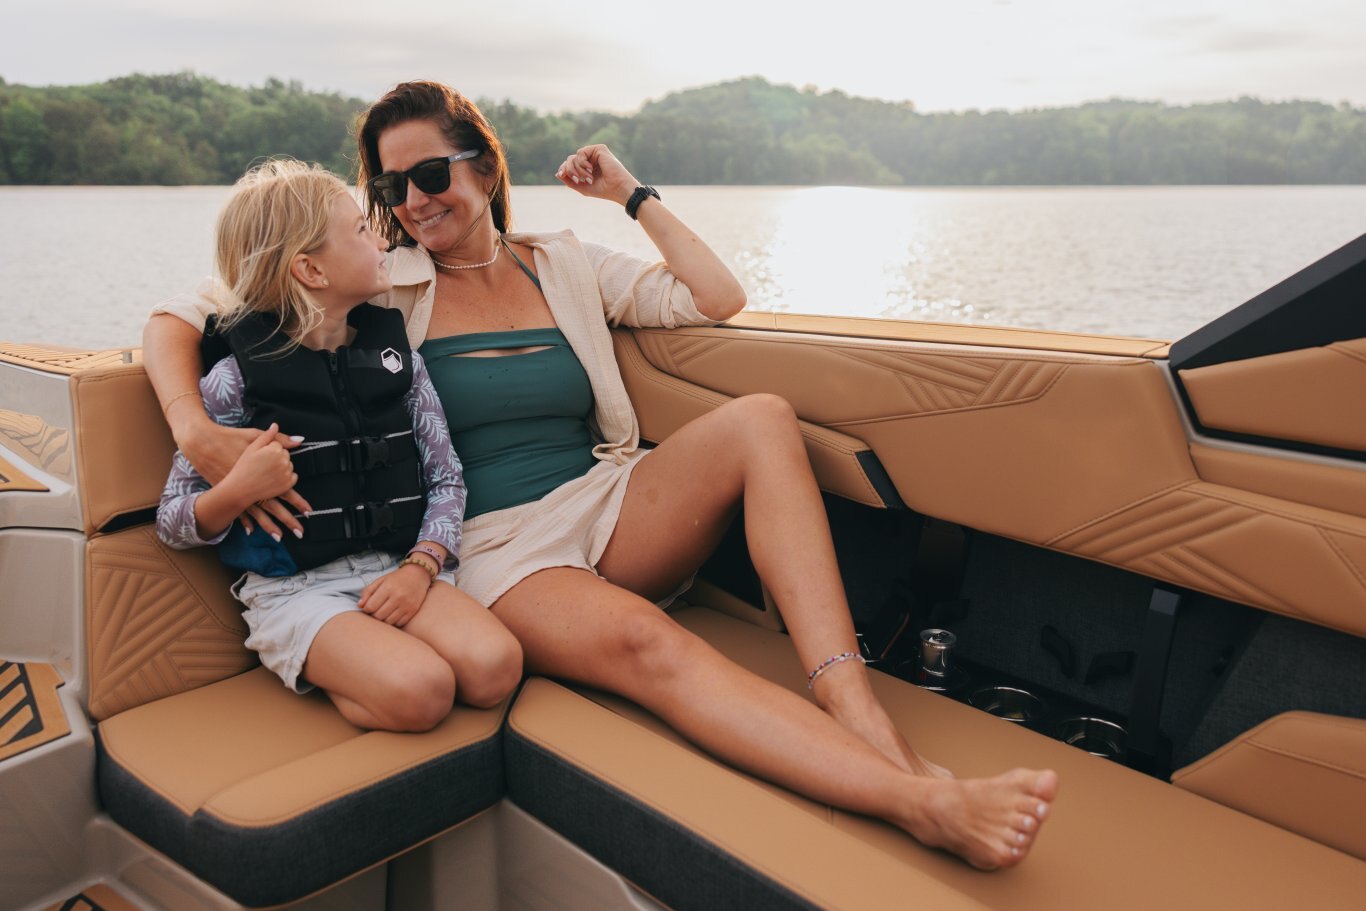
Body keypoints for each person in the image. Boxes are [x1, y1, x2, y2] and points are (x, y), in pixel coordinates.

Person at [143, 82, 1056, 870]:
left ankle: (847, 693)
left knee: (764, 419)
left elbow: (717, 296)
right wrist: (198, 431)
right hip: (496, 545)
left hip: (604, 498)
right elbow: (181, 316)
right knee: (655, 647)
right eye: (390, 187)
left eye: (432, 174)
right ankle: (916, 801)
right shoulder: (378, 281)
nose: (413, 202)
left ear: (482, 166)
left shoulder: (562, 263)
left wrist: (630, 194)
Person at [154, 158, 521, 732]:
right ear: (311, 270)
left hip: (399, 566)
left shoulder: (401, 364)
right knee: (423, 693)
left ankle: (369, 656)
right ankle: (344, 664)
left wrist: (420, 567)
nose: (383, 240)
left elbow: (446, 479)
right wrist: (235, 491)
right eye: (362, 230)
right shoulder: (233, 381)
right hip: (297, 591)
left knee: (496, 668)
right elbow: (171, 521)